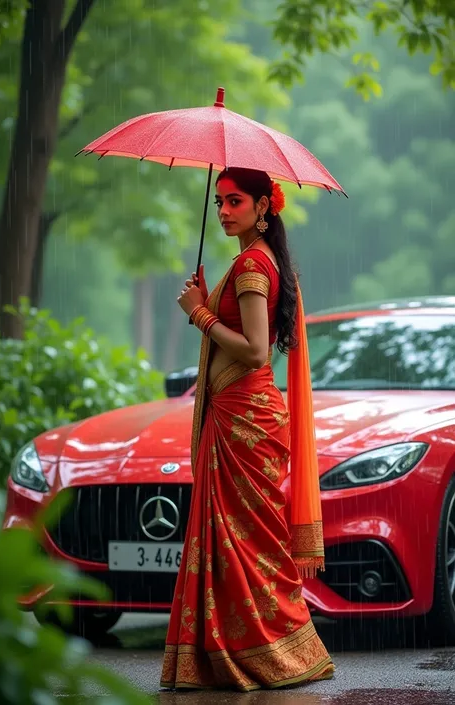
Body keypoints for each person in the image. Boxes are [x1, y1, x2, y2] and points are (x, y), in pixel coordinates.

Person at [160, 167, 334, 691]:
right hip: (235, 419)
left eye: (235, 201)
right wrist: (211, 299)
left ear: (264, 207)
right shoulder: (249, 263)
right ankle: (233, 653)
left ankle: (274, 653)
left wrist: (199, 315)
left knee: (249, 545)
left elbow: (256, 351)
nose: (223, 211)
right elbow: (245, 332)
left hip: (245, 423)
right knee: (233, 544)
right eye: (218, 202)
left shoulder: (255, 265)